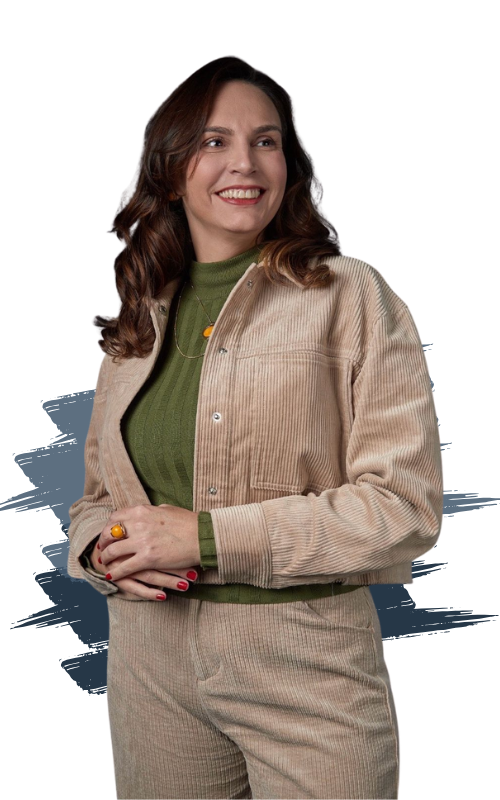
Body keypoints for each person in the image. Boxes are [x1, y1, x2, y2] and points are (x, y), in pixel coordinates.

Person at [67, 55, 443, 800]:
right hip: (148, 668)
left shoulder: (350, 294)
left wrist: (206, 539)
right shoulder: (139, 320)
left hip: (308, 668)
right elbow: (97, 502)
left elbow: (406, 509)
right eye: (214, 141)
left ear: (288, 163)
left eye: (265, 141)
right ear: (170, 170)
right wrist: (101, 550)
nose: (244, 161)